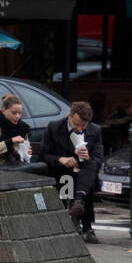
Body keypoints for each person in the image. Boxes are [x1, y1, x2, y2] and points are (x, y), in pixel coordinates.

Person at [42, 101, 105, 244]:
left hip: (85, 173)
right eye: (76, 124)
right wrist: (61, 159)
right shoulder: (54, 127)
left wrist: (87, 156)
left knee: (89, 168)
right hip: (62, 171)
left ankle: (78, 204)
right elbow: (44, 154)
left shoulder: (95, 131)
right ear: (70, 116)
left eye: (83, 126)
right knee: (70, 176)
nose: (79, 129)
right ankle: (81, 220)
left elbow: (99, 158)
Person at [0, 94, 33, 169]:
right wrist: (9, 142)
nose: (17, 116)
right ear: (4, 110)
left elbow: (24, 156)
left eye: (20, 113)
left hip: (17, 169)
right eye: (14, 113)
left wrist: (26, 152)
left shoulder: (23, 128)